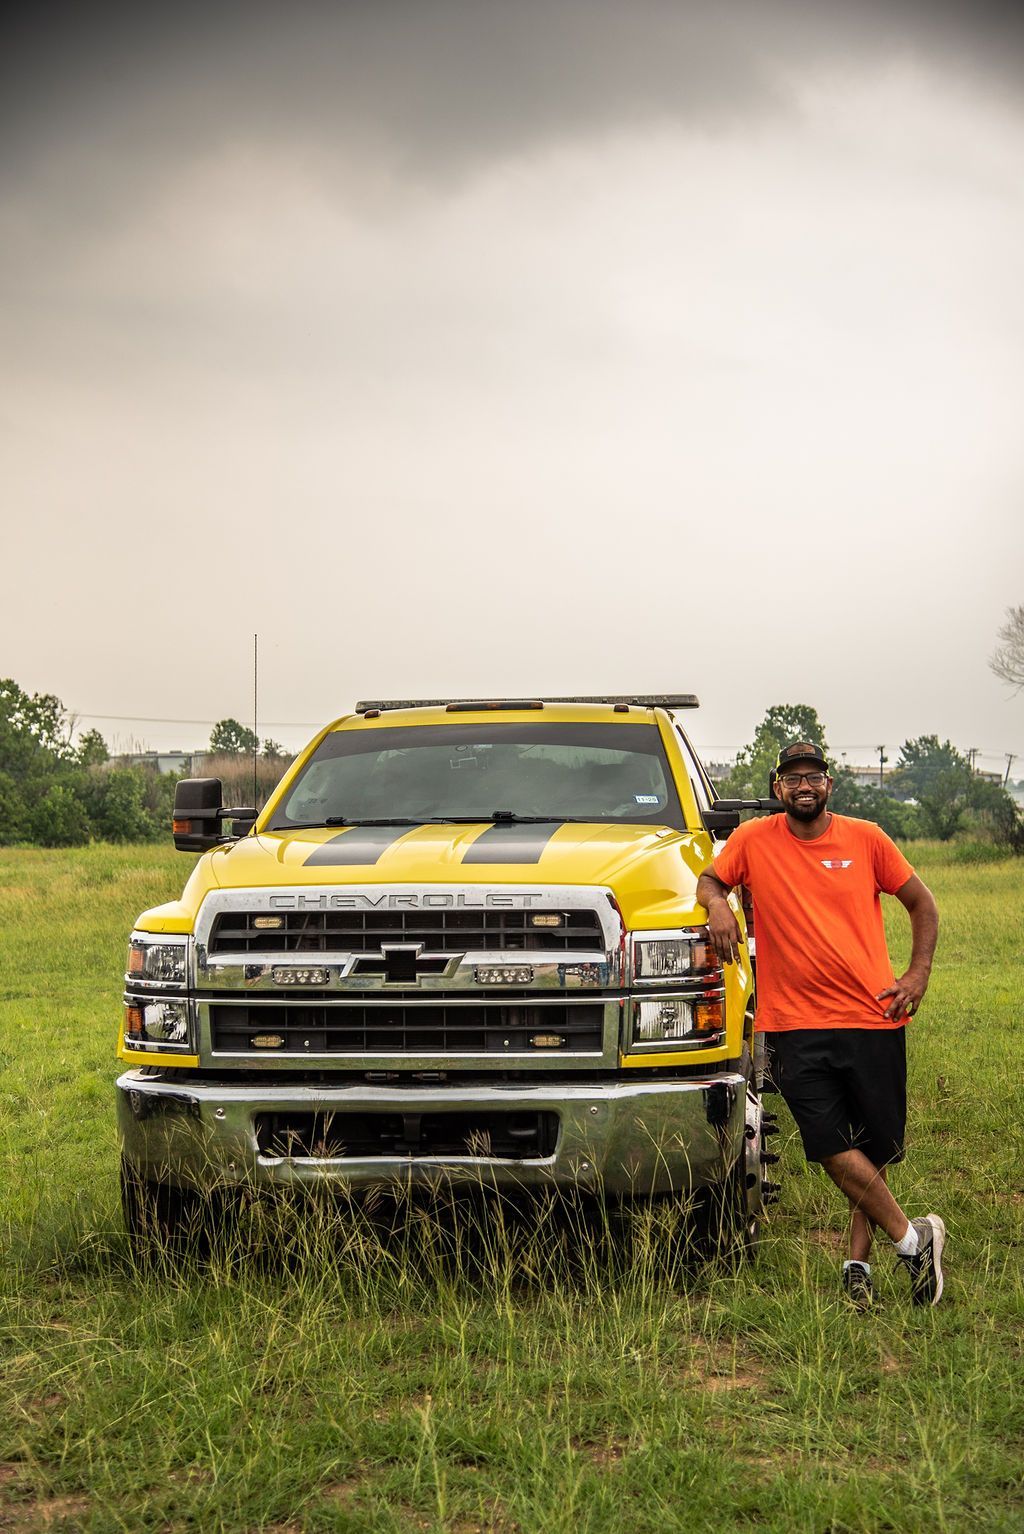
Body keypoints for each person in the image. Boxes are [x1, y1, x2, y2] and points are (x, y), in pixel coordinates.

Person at [695, 741, 943, 1307]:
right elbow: (711, 880)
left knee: (868, 1147)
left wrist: (917, 975)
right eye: (792, 778)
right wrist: (716, 906)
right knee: (830, 1145)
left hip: (872, 1016)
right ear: (778, 788)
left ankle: (858, 1265)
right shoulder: (754, 840)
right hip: (792, 1023)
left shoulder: (867, 837)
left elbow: (923, 904)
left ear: (829, 784)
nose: (803, 786)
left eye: (813, 776)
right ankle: (913, 1241)